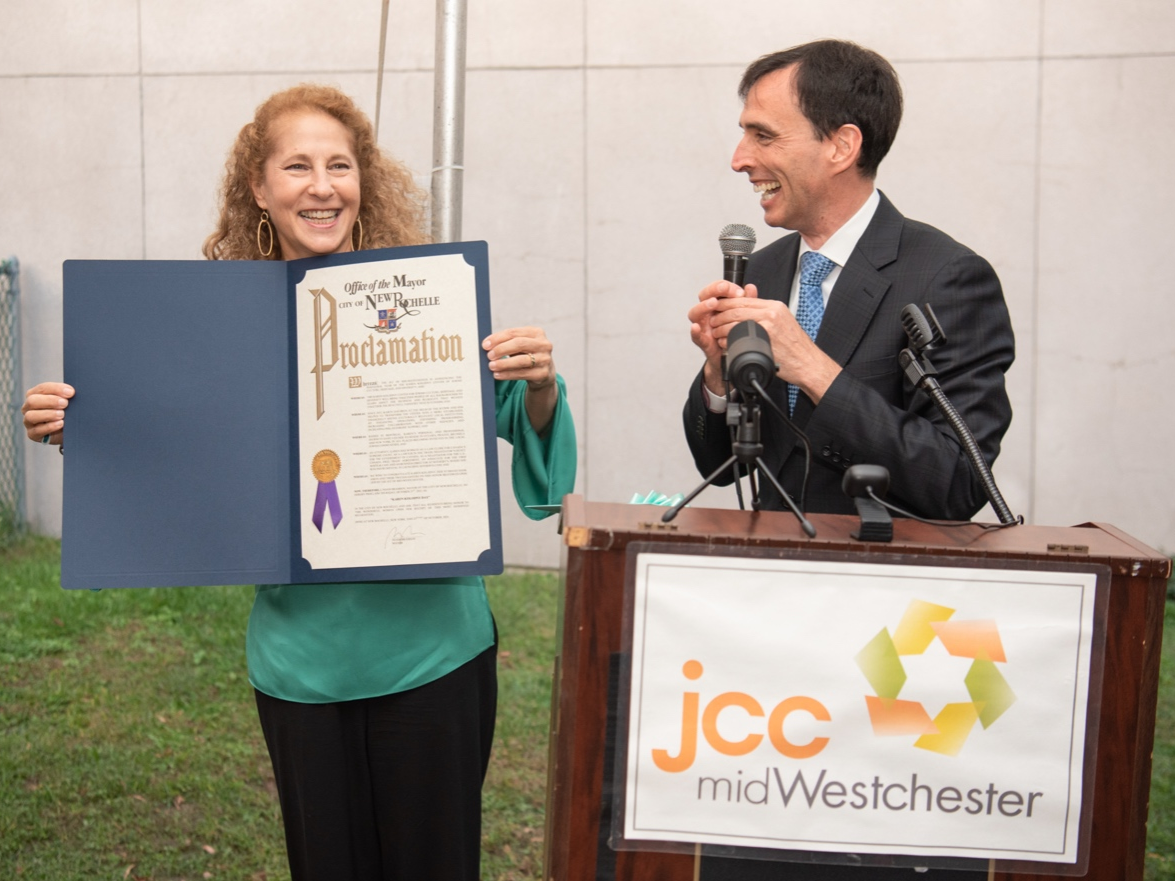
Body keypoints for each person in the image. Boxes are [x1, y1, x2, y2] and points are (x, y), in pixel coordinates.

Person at [22, 84, 576, 881]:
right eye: (298, 166)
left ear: (364, 181)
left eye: (341, 166)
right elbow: (177, 456)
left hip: (433, 646)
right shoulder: (216, 325)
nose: (323, 186)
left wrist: (539, 384)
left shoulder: (423, 301)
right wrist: (85, 430)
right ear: (259, 187)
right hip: (300, 659)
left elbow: (517, 419)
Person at [684, 40, 1014, 520]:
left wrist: (814, 370)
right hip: (764, 575)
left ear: (841, 146)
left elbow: (959, 482)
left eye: (764, 136)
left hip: (883, 579)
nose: (739, 159)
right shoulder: (762, 271)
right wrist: (718, 378)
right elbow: (719, 466)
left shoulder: (949, 279)